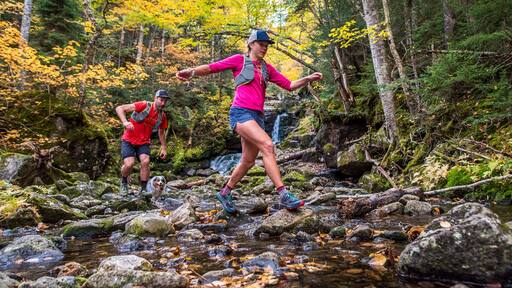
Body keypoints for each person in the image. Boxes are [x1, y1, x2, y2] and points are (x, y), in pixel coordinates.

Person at [176, 29, 323, 213]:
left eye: (267, 46)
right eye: (262, 45)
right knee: (268, 145)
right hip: (240, 113)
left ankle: (225, 192)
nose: (264, 48)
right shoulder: (239, 60)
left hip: (258, 117)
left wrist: (308, 78)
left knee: (248, 161)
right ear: (251, 44)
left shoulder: (267, 68)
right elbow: (213, 67)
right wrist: (191, 72)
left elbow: (289, 85)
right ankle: (283, 193)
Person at [115, 89, 169, 194]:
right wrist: (125, 122)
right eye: (161, 100)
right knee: (129, 164)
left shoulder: (162, 116)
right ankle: (124, 181)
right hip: (128, 140)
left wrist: (164, 148)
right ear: (155, 98)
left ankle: (144, 189)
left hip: (144, 142)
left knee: (145, 161)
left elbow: (161, 131)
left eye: (165, 101)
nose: (163, 103)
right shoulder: (144, 105)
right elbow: (119, 108)